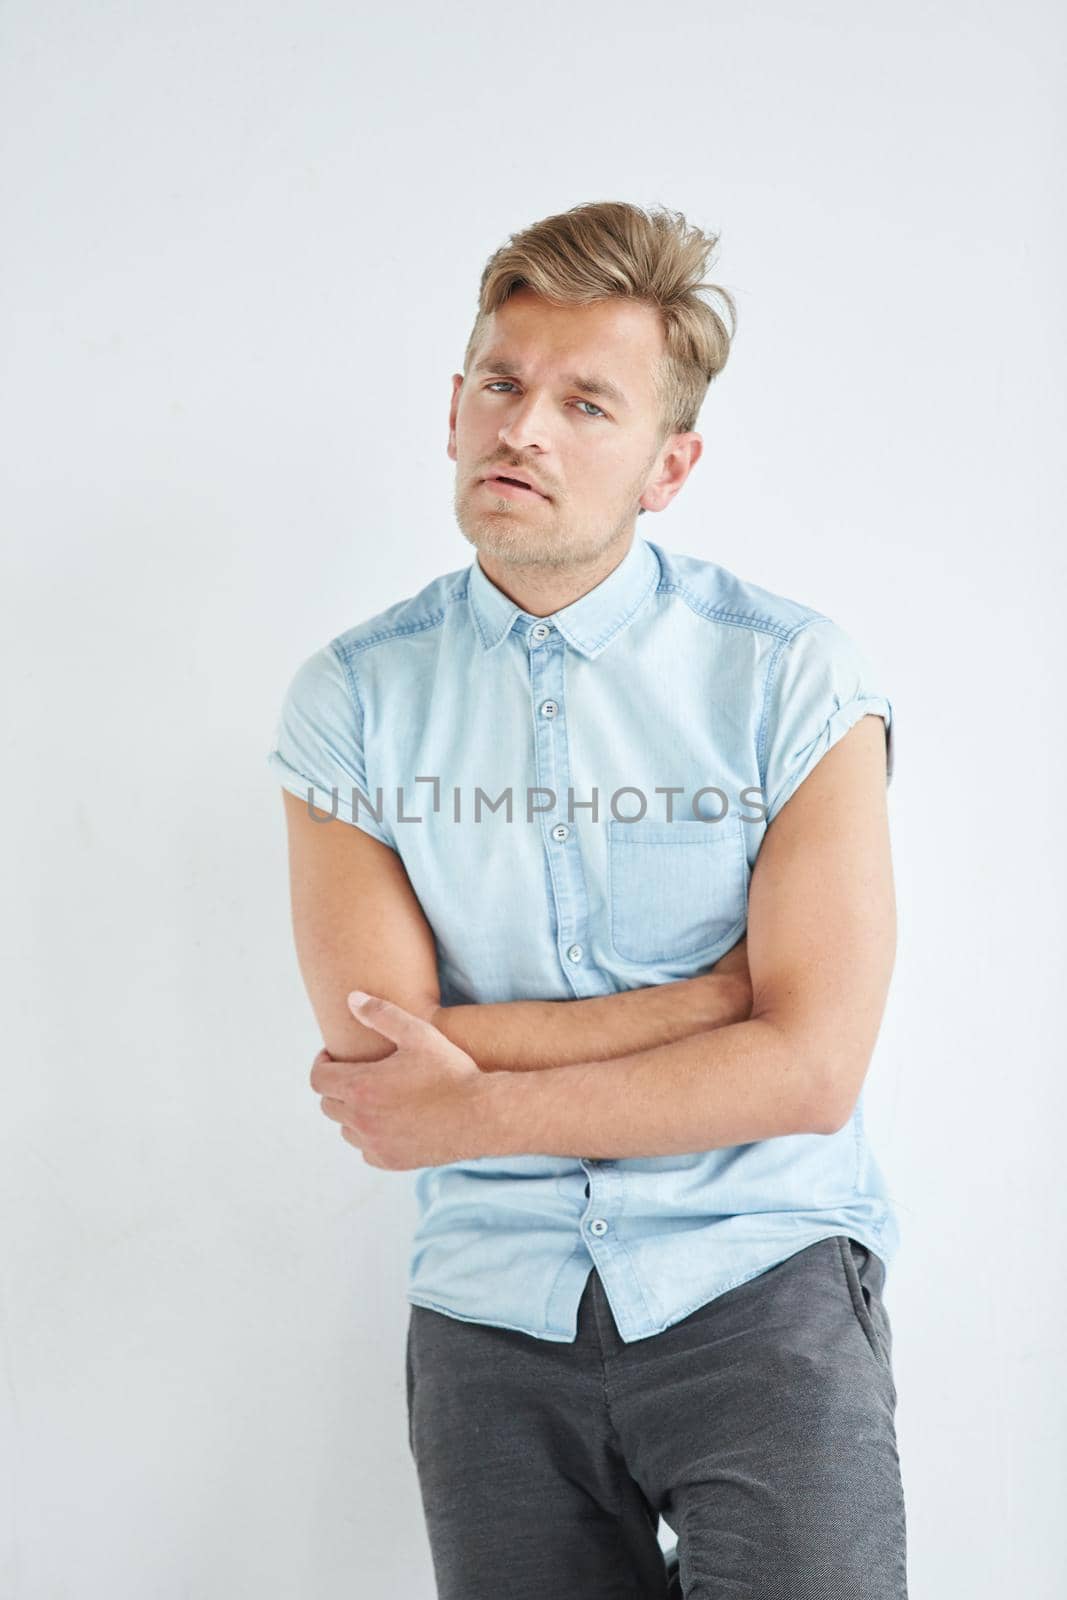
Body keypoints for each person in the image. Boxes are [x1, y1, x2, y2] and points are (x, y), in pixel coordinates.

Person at [266, 200, 908, 1598]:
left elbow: (807, 1072)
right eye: (500, 384)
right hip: (492, 1320)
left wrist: (474, 1099)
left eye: (586, 403)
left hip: (760, 1288)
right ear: (452, 409)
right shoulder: (353, 703)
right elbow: (387, 1057)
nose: (525, 430)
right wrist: (708, 1008)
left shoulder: (794, 679)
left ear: (669, 465)